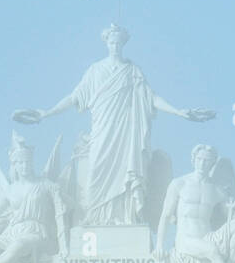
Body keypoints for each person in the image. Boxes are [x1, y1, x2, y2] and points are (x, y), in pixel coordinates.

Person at [13, 24, 214, 225]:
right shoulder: (95, 71)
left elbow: (150, 97)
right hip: (102, 131)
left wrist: (178, 111)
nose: (115, 46)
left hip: (126, 133)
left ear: (123, 44)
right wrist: (47, 113)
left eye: (119, 42)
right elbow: (74, 97)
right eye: (111, 42)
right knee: (96, 175)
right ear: (106, 43)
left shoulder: (132, 71)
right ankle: (95, 218)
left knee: (126, 173)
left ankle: (125, 218)